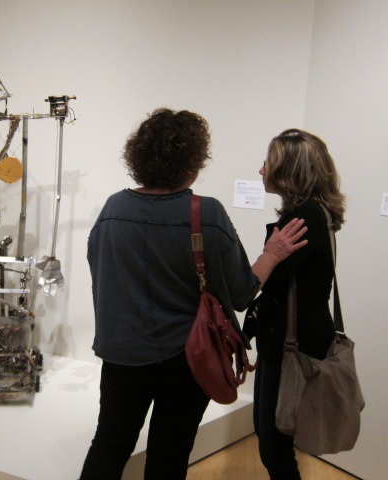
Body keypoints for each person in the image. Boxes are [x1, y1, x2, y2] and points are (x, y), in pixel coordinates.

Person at [79, 109, 308, 480]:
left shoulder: (112, 209)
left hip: (122, 354)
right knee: (169, 456)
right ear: (194, 160)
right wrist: (273, 254)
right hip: (186, 359)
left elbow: (100, 272)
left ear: (139, 155)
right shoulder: (206, 213)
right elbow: (241, 293)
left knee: (109, 445)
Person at [248, 128, 345, 480]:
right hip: (294, 342)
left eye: (267, 163)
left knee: (273, 441)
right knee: (273, 437)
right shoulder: (317, 213)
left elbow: (257, 283)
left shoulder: (301, 220)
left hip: (290, 348)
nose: (261, 171)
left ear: (289, 170)